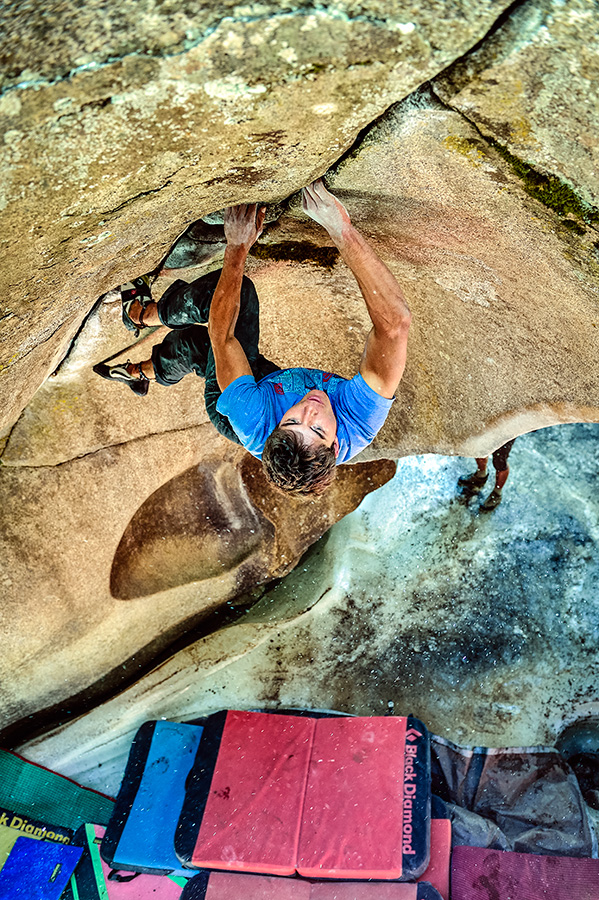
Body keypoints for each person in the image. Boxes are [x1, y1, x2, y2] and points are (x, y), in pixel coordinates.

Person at [94, 180, 411, 496]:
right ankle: (142, 374)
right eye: (316, 429)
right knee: (200, 348)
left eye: (291, 422)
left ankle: (141, 314)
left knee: (212, 328)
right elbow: (394, 327)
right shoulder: (358, 419)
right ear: (336, 443)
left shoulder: (251, 416)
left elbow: (224, 337)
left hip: (238, 404)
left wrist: (237, 245)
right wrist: (340, 227)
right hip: (269, 382)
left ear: (276, 426)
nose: (309, 410)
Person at [457, 439, 516, 510]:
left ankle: (497, 493)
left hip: (505, 430)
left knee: (499, 461)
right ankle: (480, 475)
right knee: (479, 448)